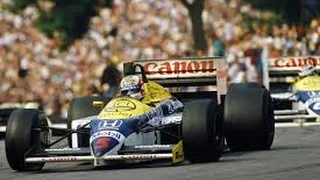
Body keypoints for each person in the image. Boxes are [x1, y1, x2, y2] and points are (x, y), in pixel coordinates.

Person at [119, 74, 184, 126]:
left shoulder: (155, 94)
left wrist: (147, 116)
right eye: (126, 91)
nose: (129, 94)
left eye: (132, 90)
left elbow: (177, 105)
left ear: (141, 88)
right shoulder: (122, 103)